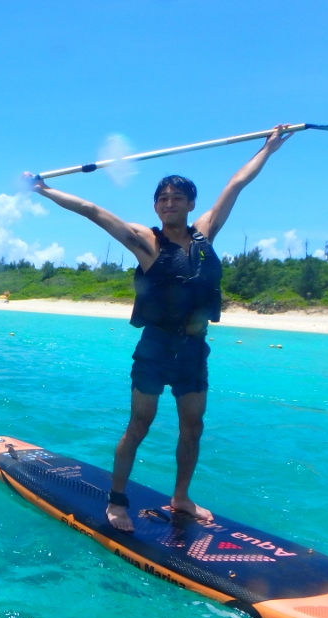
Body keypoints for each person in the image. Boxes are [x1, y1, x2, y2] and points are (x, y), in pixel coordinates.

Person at [26, 125, 292, 532]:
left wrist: (269, 148)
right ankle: (117, 501)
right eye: (163, 199)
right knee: (140, 425)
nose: (169, 204)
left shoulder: (205, 234)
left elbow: (237, 184)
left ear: (189, 204)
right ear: (156, 207)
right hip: (155, 349)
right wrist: (44, 191)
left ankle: (181, 497)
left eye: (177, 198)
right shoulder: (145, 241)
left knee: (193, 426)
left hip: (193, 351)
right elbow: (92, 210)